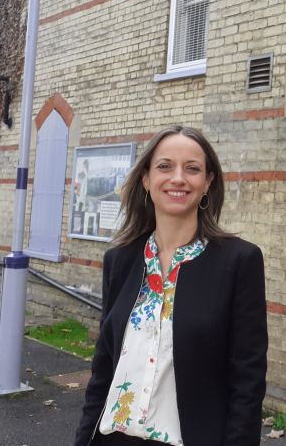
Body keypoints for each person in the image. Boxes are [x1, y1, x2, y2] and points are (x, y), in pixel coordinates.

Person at [74, 126, 268, 446]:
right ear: (147, 180)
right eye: (165, 166)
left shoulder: (239, 262)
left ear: (207, 182)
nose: (178, 178)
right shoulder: (119, 261)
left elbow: (247, 384)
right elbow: (104, 369)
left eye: (192, 168)